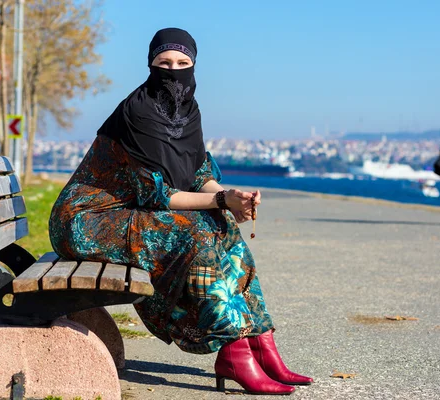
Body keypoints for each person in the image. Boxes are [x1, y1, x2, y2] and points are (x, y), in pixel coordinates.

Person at [48, 28, 312, 395]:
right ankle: (232, 348)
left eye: (183, 63)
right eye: (164, 63)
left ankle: (259, 340)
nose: (174, 72)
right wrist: (221, 202)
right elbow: (157, 195)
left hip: (127, 213)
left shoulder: (189, 112)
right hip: (87, 220)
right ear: (150, 65)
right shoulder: (136, 113)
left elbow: (198, 175)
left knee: (221, 227)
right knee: (194, 232)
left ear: (194, 66)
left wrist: (231, 196)